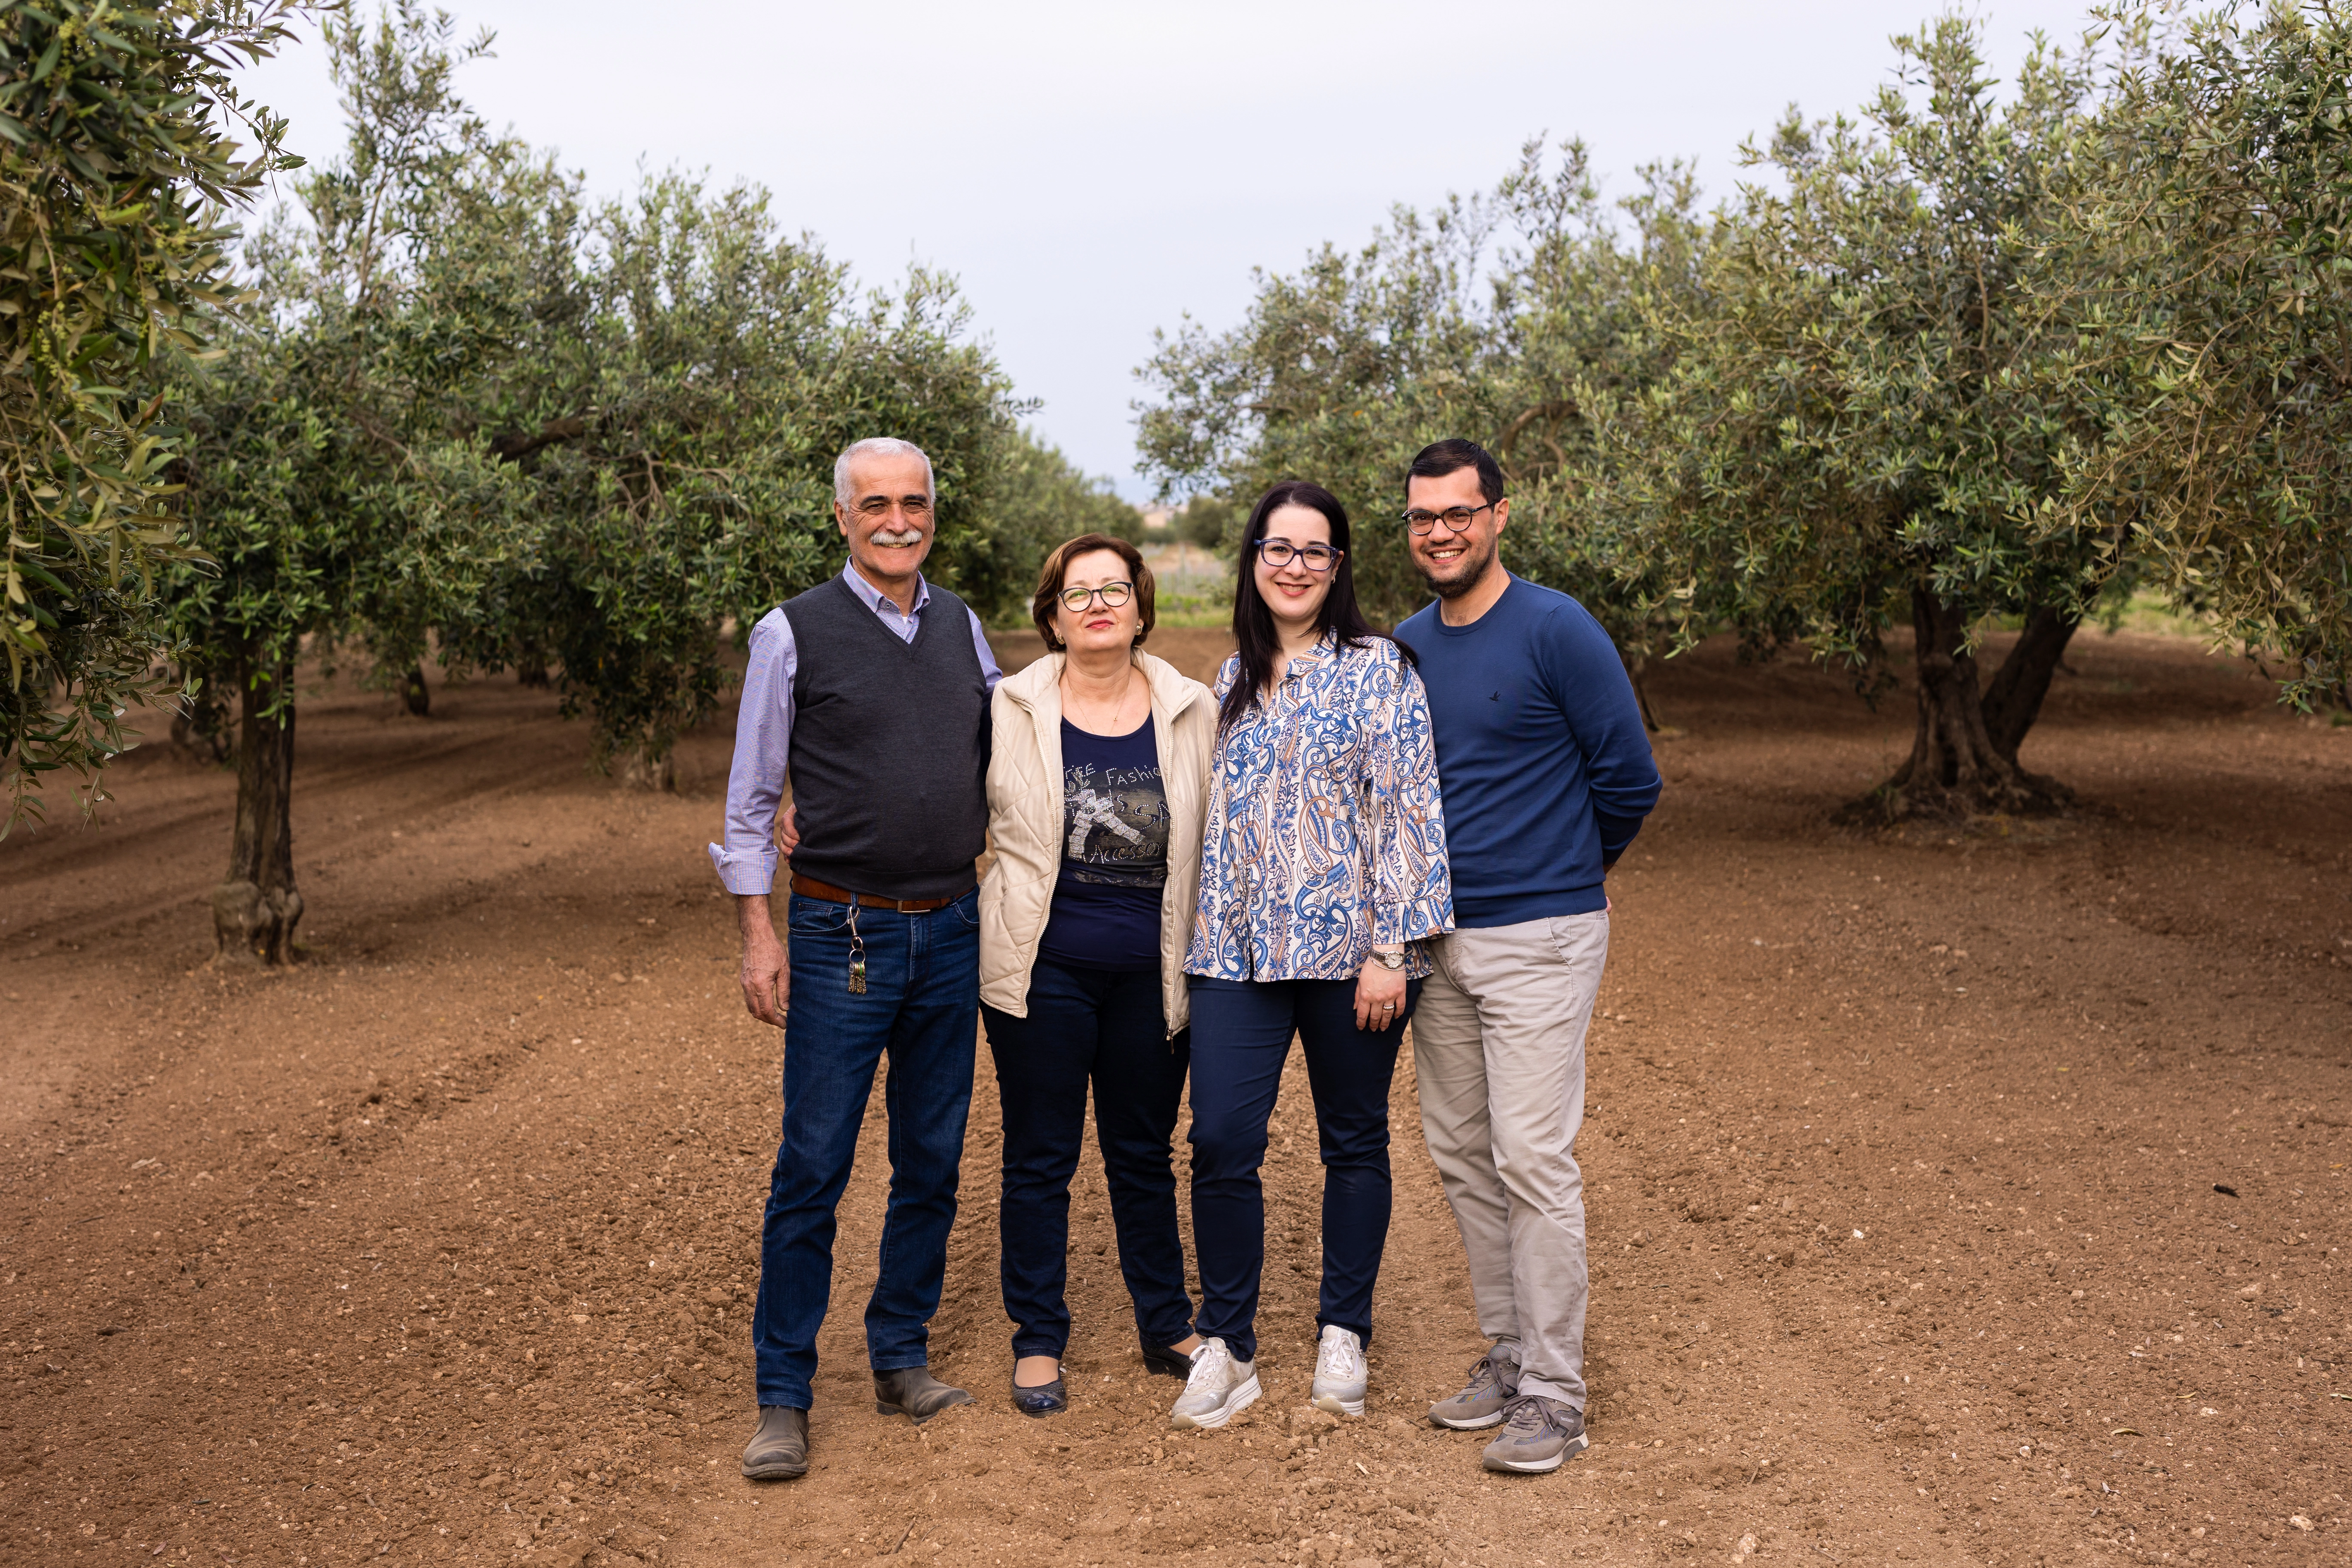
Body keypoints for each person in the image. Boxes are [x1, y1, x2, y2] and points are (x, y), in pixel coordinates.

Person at [708, 436, 1002, 1482]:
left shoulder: (964, 627)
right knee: (815, 1167)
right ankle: (783, 1394)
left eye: (913, 502)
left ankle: (899, 1355)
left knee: (930, 1159)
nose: (897, 520)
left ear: (933, 512)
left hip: (952, 925)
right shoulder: (791, 634)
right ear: (842, 517)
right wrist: (759, 931)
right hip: (842, 934)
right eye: (874, 504)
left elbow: (1007, 752)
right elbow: (751, 796)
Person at [1392, 438, 1662, 1475]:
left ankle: (1556, 1393)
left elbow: (1629, 780)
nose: (1441, 533)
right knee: (1461, 1151)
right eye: (1422, 518)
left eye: (1459, 514)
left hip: (1541, 937)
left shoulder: (1558, 628)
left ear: (1499, 516)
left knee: (1533, 1159)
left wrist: (1561, 874)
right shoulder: (1408, 645)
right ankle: (1510, 1353)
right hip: (1438, 944)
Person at [1170, 480, 1453, 1432]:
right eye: (1277, 548)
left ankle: (1345, 1331)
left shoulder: (1383, 670)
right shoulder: (1226, 681)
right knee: (1218, 1143)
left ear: (1338, 568)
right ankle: (1229, 1344)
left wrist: (1392, 949)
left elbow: (1410, 810)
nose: (1295, 566)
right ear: (1254, 560)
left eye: (1315, 551)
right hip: (1236, 956)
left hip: (1353, 960)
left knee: (1354, 1141)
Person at [977, 533, 1217, 1416]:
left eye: (1114, 589)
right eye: (1077, 594)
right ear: (1051, 615)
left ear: (1142, 607)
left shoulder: (1192, 708)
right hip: (1042, 972)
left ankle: (1166, 1323)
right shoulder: (1007, 707)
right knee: (1041, 1158)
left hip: (1152, 975)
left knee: (1142, 1154)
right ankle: (1038, 1336)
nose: (1098, 605)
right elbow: (940, 805)